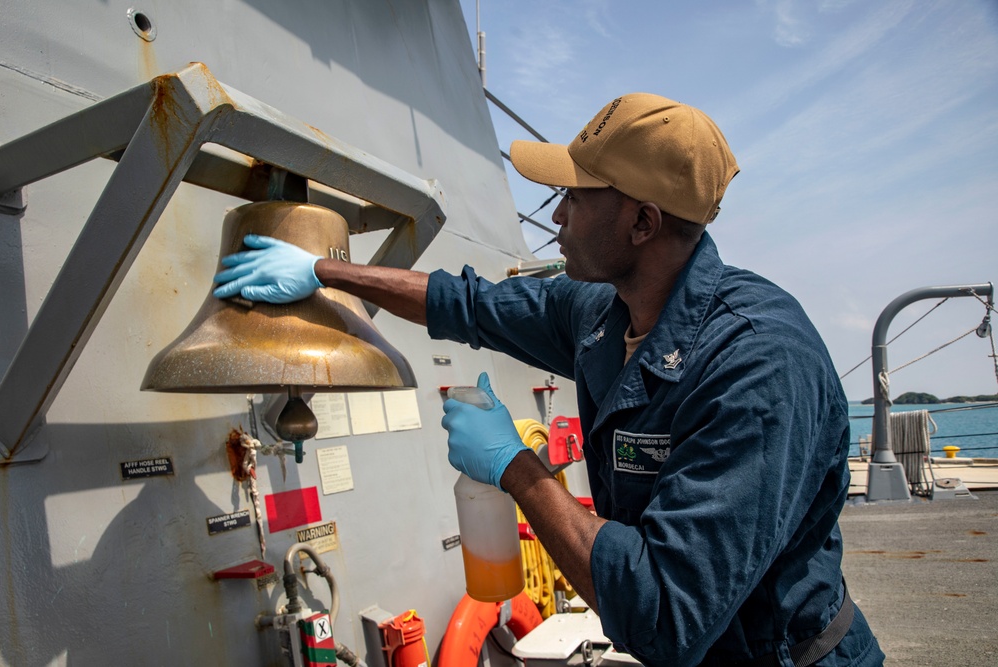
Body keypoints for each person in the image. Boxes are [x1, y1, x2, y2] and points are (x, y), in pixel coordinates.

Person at [213, 93, 884, 667]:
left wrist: (516, 466)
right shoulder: (603, 309)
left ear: (643, 222)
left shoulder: (758, 366)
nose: (557, 215)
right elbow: (468, 302)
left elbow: (667, 615)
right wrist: (327, 273)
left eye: (575, 196)